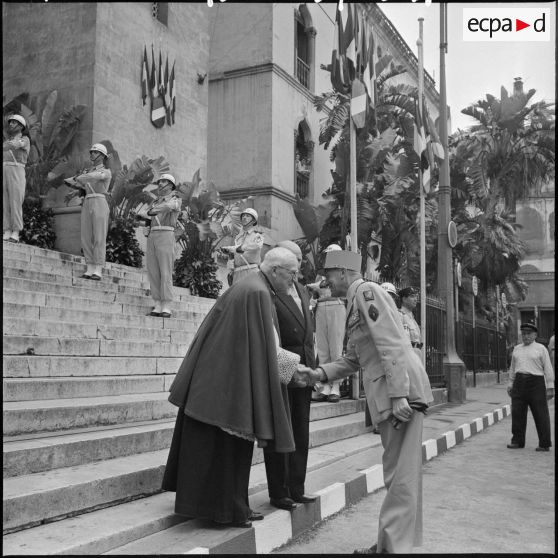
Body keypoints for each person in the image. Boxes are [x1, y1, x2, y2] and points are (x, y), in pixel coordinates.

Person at [161, 247, 317, 528]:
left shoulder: (254, 287)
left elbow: (261, 343)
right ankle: (228, 511)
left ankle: (234, 507)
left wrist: (293, 369)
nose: (293, 281)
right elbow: (265, 346)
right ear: (274, 271)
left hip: (223, 382)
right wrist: (296, 370)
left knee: (231, 450)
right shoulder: (256, 292)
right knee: (227, 451)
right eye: (291, 274)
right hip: (224, 387)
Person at [297, 250, 433, 554]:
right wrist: (317, 374)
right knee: (398, 473)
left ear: (344, 272)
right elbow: (353, 359)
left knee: (400, 475)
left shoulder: (367, 292)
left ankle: (391, 549)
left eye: (329, 274)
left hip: (400, 393)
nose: (325, 281)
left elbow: (391, 343)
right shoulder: (355, 299)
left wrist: (399, 394)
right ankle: (393, 543)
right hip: (392, 392)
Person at [263, 240, 317, 511]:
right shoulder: (272, 291)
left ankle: (297, 487)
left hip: (305, 371)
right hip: (284, 370)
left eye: (299, 261)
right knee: (281, 434)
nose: (298, 267)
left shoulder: (303, 290)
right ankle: (280, 491)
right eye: (293, 262)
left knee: (301, 433)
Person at [66, 143, 112, 280]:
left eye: (95, 152)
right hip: (87, 201)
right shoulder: (88, 171)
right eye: (91, 152)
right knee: (86, 236)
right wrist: (74, 191)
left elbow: (93, 178)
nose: (91, 154)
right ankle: (90, 267)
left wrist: (77, 178)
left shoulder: (105, 171)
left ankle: (98, 268)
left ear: (102, 156)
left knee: (99, 236)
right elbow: (84, 186)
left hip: (100, 201)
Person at [138, 173, 181, 318]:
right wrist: (143, 219)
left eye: (164, 181)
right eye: (160, 181)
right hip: (153, 236)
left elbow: (169, 207)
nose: (160, 184)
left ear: (171, 185)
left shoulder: (175, 199)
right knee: (153, 270)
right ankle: (157, 303)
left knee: (165, 271)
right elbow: (146, 215)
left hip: (166, 234)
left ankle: (166, 305)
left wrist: (150, 212)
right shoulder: (155, 201)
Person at [506, 321, 554, 452]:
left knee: (541, 413)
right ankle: (517, 441)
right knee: (517, 413)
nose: (526, 336)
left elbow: (548, 368)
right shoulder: (517, 349)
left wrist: (550, 387)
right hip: (519, 383)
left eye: (529, 334)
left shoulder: (541, 349)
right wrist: (510, 384)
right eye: (524, 334)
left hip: (536, 383)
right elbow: (512, 368)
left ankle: (544, 444)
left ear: (535, 335)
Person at [308, 244, 347, 404]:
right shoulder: (321, 275)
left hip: (336, 306)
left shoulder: (343, 272)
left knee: (336, 348)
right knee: (323, 349)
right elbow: (315, 294)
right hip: (321, 308)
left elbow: (344, 291)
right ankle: (324, 385)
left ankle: (336, 385)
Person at [3, 114, 30, 243]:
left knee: (15, 200)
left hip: (17, 169)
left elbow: (14, 145)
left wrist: (6, 144)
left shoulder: (25, 139)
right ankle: (7, 229)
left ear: (20, 126)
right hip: (5, 169)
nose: (11, 125)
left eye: (14, 123)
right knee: (5, 201)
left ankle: (16, 231)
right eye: (10, 122)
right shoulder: (7, 141)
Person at [220, 208, 264, 284]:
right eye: (243, 216)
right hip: (237, 272)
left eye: (248, 216)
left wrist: (241, 248)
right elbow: (234, 254)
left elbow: (257, 245)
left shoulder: (257, 235)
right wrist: (231, 269)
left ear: (253, 221)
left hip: (251, 270)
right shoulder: (238, 237)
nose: (244, 217)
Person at [398, 286, 423, 357]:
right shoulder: (400, 316)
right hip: (407, 355)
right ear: (404, 299)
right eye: (412, 296)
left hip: (417, 354)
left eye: (416, 296)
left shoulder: (412, 318)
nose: (416, 299)